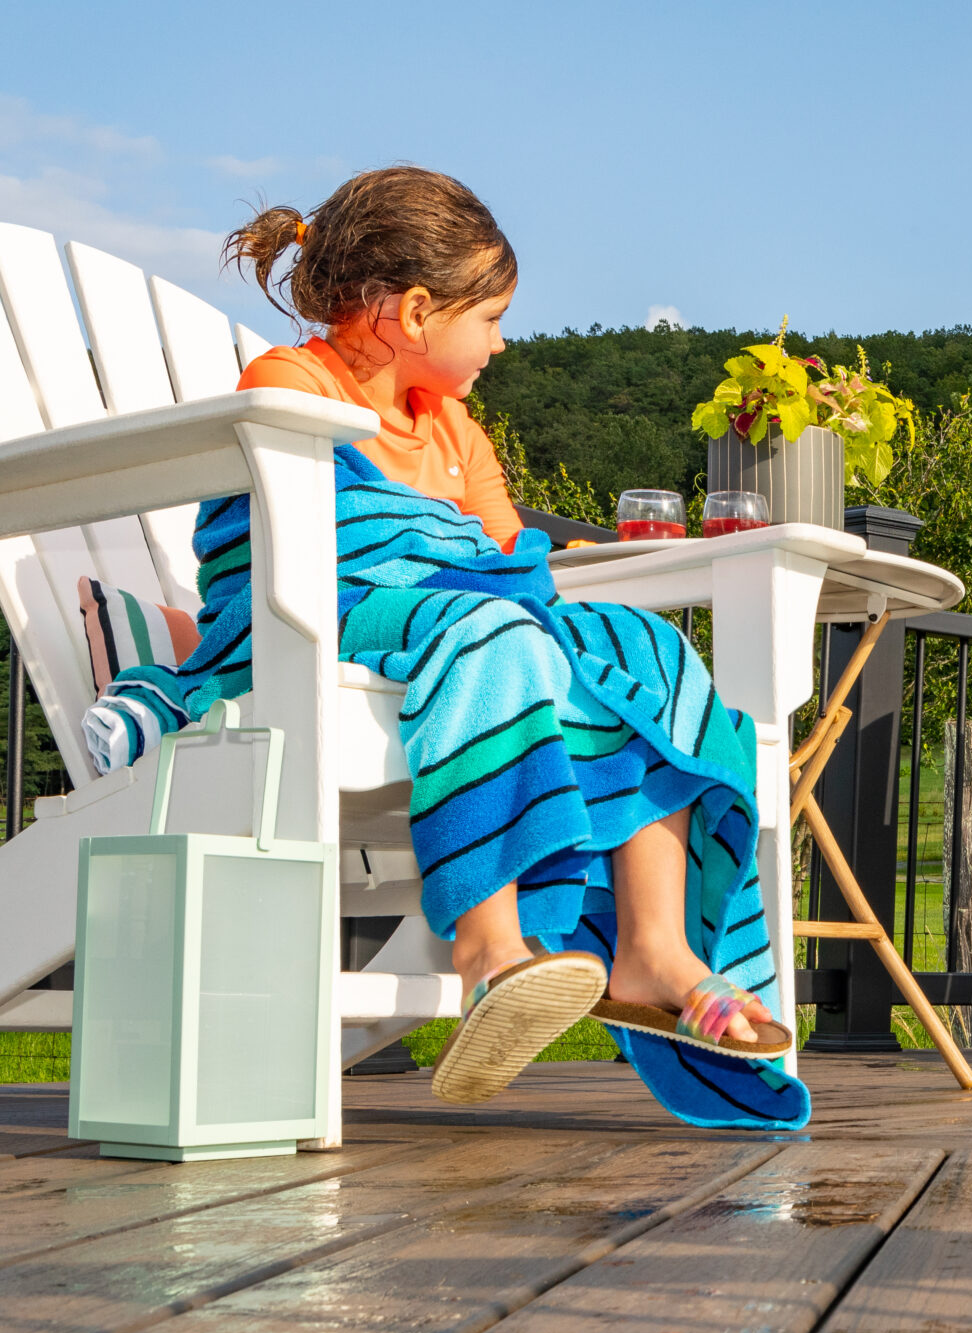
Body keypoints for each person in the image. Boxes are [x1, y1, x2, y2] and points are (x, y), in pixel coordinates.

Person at [94, 167, 798, 1125]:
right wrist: (455, 569)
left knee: (645, 648)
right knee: (494, 636)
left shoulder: (457, 431)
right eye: (493, 317)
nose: (502, 343)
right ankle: (490, 944)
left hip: (442, 618)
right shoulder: (292, 381)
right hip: (322, 616)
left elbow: (507, 559)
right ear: (417, 311)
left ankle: (657, 950)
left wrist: (492, 574)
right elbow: (310, 545)